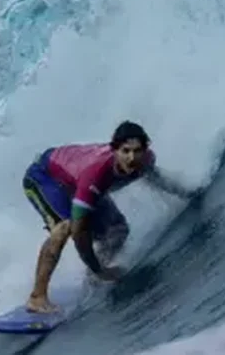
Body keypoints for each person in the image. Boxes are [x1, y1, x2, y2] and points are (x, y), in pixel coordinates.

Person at [21, 120, 198, 313]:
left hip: (76, 181)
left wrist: (186, 194)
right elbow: (80, 233)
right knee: (65, 227)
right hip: (44, 177)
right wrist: (100, 270)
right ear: (115, 150)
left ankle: (94, 274)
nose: (131, 157)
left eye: (137, 151)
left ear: (145, 150)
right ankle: (37, 298)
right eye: (125, 151)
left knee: (118, 230)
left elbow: (155, 179)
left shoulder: (145, 160)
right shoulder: (96, 174)